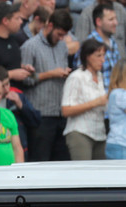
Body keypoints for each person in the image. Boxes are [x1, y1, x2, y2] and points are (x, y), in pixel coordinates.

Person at [22, 9, 73, 162]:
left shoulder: (62, 47)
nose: (61, 38)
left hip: (60, 112)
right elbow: (25, 79)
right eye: (59, 34)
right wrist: (51, 74)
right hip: (40, 114)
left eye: (64, 35)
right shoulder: (30, 46)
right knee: (40, 160)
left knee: (61, 161)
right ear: (50, 26)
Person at [62, 39, 108, 161]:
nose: (102, 60)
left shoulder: (100, 76)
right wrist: (95, 102)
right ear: (87, 56)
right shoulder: (76, 77)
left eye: (103, 55)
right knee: (83, 174)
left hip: (99, 132)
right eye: (98, 56)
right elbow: (66, 110)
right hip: (80, 131)